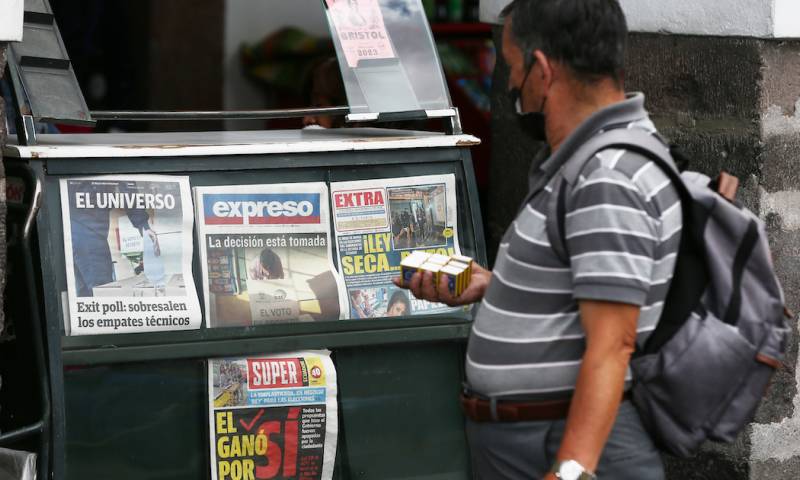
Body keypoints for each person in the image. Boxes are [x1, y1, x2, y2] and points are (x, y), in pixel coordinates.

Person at [394, 1, 681, 478]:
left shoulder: (607, 177)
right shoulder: (586, 161)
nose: (508, 85)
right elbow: (580, 285)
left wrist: (570, 470)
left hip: (557, 443)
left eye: (511, 68)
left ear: (542, 70)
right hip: (533, 438)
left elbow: (612, 344)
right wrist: (495, 285)